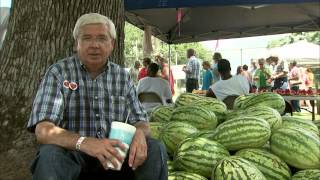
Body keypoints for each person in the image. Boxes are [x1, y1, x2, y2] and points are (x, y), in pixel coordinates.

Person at [27, 13, 167, 180]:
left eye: (102, 38)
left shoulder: (122, 77)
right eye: (86, 38)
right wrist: (85, 142)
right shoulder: (59, 72)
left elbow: (142, 122)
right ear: (76, 44)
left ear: (112, 44)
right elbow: (43, 130)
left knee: (155, 148)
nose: (94, 45)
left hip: (116, 156)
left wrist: (139, 132)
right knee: (49, 155)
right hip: (74, 155)